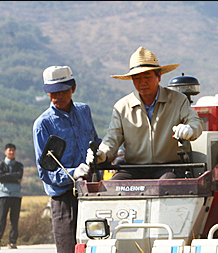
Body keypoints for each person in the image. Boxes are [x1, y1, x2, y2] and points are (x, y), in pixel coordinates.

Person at [86, 46, 203, 180]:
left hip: (168, 166)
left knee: (168, 185)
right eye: (137, 78)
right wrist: (101, 153)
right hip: (134, 168)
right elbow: (113, 137)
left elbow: (195, 122)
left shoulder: (177, 100)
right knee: (114, 186)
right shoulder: (122, 107)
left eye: (147, 76)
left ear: (159, 76)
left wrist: (189, 129)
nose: (142, 83)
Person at [33, 65, 101, 253]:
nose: (57, 97)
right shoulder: (43, 124)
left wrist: (101, 152)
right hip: (64, 198)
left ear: (73, 88)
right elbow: (45, 172)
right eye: (52, 92)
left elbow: (95, 142)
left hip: (91, 192)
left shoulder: (84, 111)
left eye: (61, 91)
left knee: (98, 250)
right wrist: (73, 172)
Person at [0, 143, 24, 250]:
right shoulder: (0, 165)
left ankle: (12, 241)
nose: (11, 152)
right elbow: (1, 177)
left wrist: (8, 177)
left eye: (13, 150)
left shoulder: (19, 165)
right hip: (4, 194)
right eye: (9, 150)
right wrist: (13, 177)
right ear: (5, 152)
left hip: (16, 195)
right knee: (2, 218)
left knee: (14, 219)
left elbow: (19, 176)